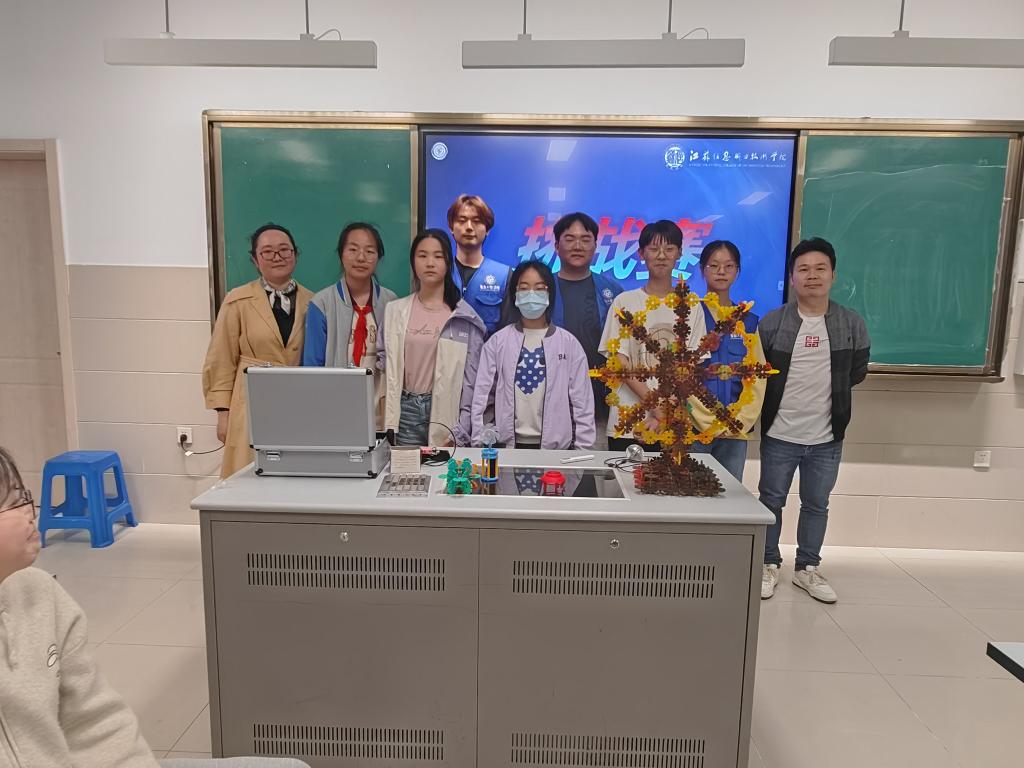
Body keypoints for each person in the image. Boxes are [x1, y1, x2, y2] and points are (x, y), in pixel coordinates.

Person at [0, 446, 310, 768]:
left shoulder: (40, 595)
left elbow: (96, 724)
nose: (30, 511)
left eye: (25, 496)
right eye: (14, 502)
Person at [758, 237, 870, 603]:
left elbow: (856, 372)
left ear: (833, 275)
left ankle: (807, 568)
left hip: (826, 437)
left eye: (820, 268)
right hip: (780, 434)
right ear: (792, 277)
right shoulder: (772, 323)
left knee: (816, 504)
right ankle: (768, 563)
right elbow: (759, 375)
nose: (812, 276)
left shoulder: (851, 323)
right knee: (770, 501)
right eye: (803, 269)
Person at [203, 223, 313, 478]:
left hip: (296, 401)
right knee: (247, 476)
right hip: (249, 403)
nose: (277, 256)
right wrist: (223, 414)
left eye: (284, 250)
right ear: (255, 259)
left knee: (294, 476)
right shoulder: (237, 301)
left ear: (295, 255)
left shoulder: (314, 301)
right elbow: (221, 359)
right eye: (267, 251)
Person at [599, 219, 707, 452]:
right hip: (627, 422)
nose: (661, 256)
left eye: (669, 249)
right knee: (623, 476)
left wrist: (663, 413)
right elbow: (619, 361)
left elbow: (691, 365)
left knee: (670, 476)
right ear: (641, 253)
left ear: (679, 253)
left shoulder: (691, 304)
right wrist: (655, 405)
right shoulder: (624, 302)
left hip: (672, 422)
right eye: (654, 249)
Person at [472, 260, 596, 450]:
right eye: (524, 288)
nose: (531, 294)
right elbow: (482, 397)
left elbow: (582, 403)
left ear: (549, 294)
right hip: (506, 448)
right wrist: (480, 443)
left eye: (539, 288)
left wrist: (582, 450)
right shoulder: (497, 342)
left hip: (556, 451)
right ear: (514, 294)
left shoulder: (569, 344)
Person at [380, 229, 486, 447]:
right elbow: (384, 368)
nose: (430, 263)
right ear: (413, 262)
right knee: (407, 469)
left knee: (444, 469)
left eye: (438, 256)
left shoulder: (463, 318)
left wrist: (461, 429)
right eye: (422, 255)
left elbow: (472, 384)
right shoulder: (394, 311)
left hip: (446, 414)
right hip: (405, 412)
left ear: (448, 263)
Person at [303, 222, 398, 430]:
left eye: (370, 251)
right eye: (353, 250)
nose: (361, 258)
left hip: (380, 411)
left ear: (378, 257)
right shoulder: (322, 303)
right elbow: (312, 366)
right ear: (341, 254)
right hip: (335, 411)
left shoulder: (391, 302)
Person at [688, 240, 767, 482]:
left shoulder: (748, 320)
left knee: (731, 495)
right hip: (696, 428)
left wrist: (740, 421)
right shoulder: (690, 315)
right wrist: (706, 420)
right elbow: (682, 374)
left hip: (734, 430)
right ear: (702, 270)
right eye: (714, 265)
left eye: (728, 266)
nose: (721, 272)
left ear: (737, 271)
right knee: (692, 494)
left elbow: (758, 375)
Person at [549, 212, 623, 436]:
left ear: (595, 246)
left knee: (596, 456)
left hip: (599, 401)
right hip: (550, 397)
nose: (578, 246)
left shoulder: (613, 291)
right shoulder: (542, 287)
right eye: (569, 239)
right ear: (556, 246)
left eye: (585, 239)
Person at [447, 194, 509, 336]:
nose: (469, 227)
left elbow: (508, 333)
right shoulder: (441, 272)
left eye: (476, 221)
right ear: (451, 227)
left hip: (487, 350)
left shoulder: (504, 276)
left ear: (487, 229)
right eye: (462, 221)